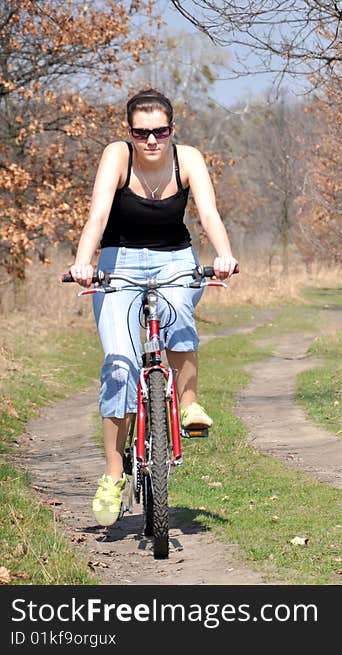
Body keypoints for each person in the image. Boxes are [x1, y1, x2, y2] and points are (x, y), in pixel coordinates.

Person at [69, 89, 237, 527]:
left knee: (179, 313)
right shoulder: (116, 156)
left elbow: (209, 212)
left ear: (171, 130)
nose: (150, 141)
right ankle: (112, 475)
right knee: (121, 365)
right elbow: (98, 215)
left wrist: (223, 254)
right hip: (118, 261)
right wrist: (84, 263)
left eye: (159, 131)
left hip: (174, 259)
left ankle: (189, 404)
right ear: (129, 132)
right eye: (141, 132)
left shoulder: (189, 159)